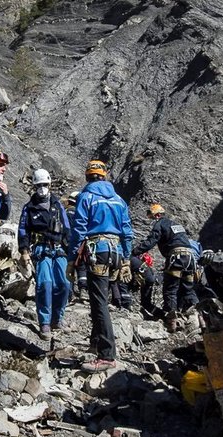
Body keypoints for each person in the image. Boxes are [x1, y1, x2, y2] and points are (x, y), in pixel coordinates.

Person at [70, 160, 133, 373]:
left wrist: (73, 258)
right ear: (104, 176)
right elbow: (127, 230)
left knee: (99, 302)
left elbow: (78, 228)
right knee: (102, 298)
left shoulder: (86, 197)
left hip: (98, 250)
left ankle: (106, 355)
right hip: (115, 252)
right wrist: (125, 258)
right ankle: (96, 342)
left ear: (88, 177)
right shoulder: (119, 200)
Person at [18, 169, 71, 340]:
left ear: (49, 185)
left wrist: (72, 251)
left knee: (64, 285)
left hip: (59, 249)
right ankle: (45, 322)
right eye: (38, 185)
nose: (42, 188)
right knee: (45, 285)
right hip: (40, 249)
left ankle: (57, 318)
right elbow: (23, 230)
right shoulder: (29, 208)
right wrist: (24, 251)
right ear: (34, 186)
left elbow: (67, 227)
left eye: (44, 185)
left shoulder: (57, 205)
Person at [132, 203, 199, 332]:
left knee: (170, 289)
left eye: (152, 217)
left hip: (176, 258)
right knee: (188, 289)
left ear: (157, 215)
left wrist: (135, 252)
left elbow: (151, 241)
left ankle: (171, 322)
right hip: (190, 259)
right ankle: (199, 319)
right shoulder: (176, 225)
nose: (152, 220)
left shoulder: (160, 224)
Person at [65, 190, 88, 299]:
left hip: (68, 243)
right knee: (81, 266)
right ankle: (83, 290)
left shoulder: (66, 213)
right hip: (81, 243)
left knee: (69, 266)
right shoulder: (82, 213)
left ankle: (70, 293)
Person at [130, 252, 159, 318]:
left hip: (146, 277)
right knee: (146, 303)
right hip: (149, 277)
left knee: (145, 303)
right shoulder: (141, 262)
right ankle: (161, 315)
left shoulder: (131, 259)